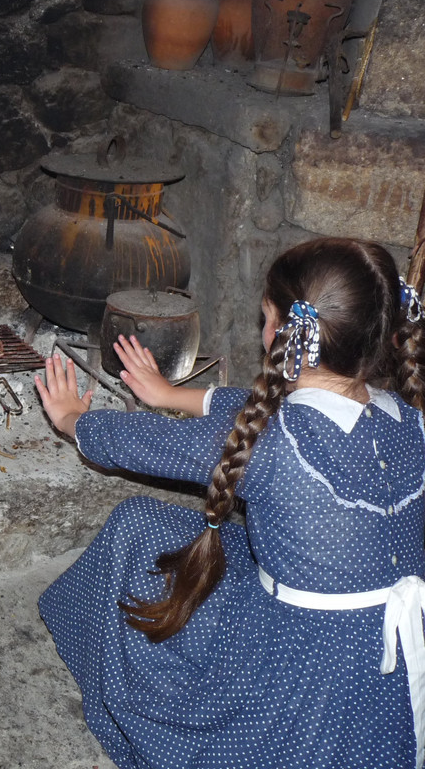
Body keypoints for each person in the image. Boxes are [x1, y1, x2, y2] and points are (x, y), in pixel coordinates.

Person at [33, 237, 425, 769]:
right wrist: (172, 395)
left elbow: (148, 444)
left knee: (138, 525)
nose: (261, 330)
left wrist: (72, 421)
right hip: (392, 664)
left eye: (266, 317)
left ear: (290, 336)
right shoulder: (405, 417)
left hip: (303, 671)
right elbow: (266, 404)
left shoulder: (278, 445)